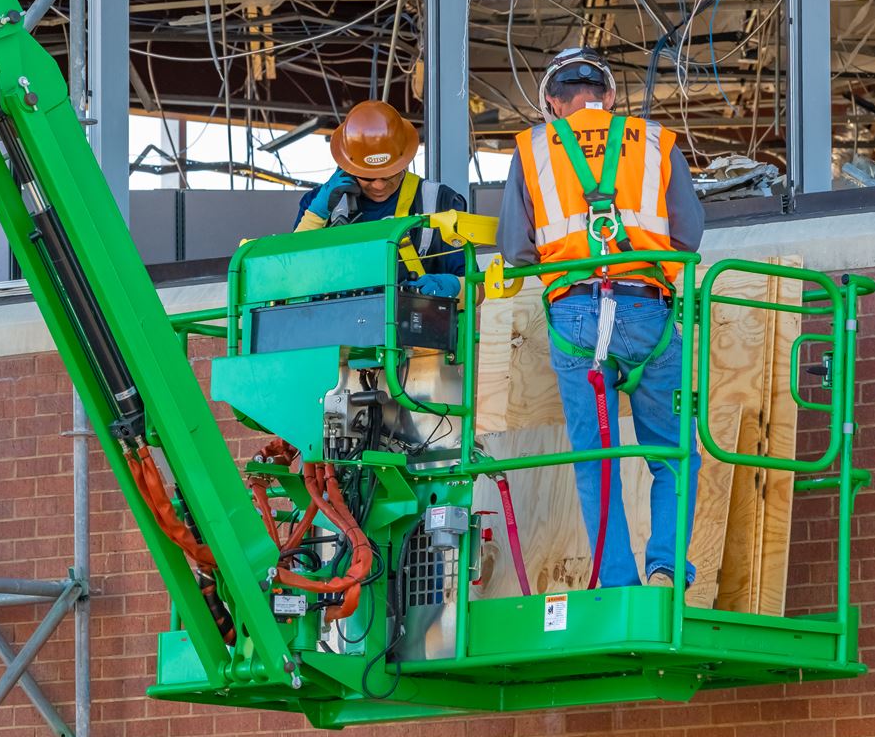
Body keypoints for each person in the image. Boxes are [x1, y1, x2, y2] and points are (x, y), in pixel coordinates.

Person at [497, 48, 705, 588]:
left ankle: (616, 582)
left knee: (597, 460)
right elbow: (688, 235)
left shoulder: (532, 148)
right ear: (609, 97)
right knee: (674, 454)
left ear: (551, 103)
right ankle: (665, 566)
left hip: (575, 319)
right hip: (648, 312)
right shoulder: (657, 143)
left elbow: (516, 252)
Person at [294, 100, 468, 296]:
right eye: (368, 177)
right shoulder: (319, 206)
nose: (379, 185)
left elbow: (477, 289)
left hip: (419, 323)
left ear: (405, 160)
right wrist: (316, 215)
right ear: (348, 166)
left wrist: (455, 288)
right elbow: (292, 276)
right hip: (335, 322)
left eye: (389, 174)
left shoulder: (440, 202)